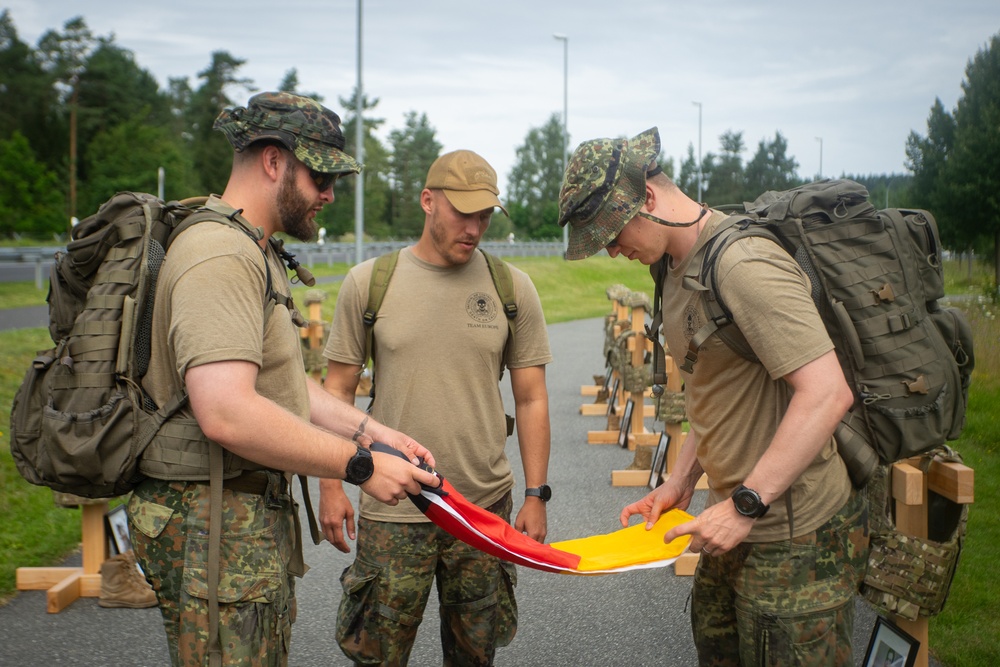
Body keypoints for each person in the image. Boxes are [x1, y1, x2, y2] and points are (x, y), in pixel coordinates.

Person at [126, 92, 440, 667]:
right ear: (274, 161)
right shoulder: (220, 254)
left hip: (233, 521)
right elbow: (227, 410)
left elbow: (284, 386)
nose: (328, 195)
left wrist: (374, 433)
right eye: (320, 176)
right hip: (211, 529)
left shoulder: (252, 248)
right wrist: (360, 466)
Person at [557, 127, 869, 666]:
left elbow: (826, 392)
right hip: (733, 519)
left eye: (611, 232)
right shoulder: (674, 269)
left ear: (648, 200)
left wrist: (746, 505)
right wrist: (679, 482)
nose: (611, 249)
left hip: (794, 533)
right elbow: (715, 387)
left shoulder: (742, 263)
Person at [319, 149, 554, 666]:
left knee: (475, 656)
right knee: (378, 655)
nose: (474, 227)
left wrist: (536, 494)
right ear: (428, 201)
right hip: (393, 507)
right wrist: (332, 484)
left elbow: (532, 397)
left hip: (482, 510)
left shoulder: (511, 287)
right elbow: (337, 391)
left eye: (485, 215)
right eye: (462, 212)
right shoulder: (369, 283)